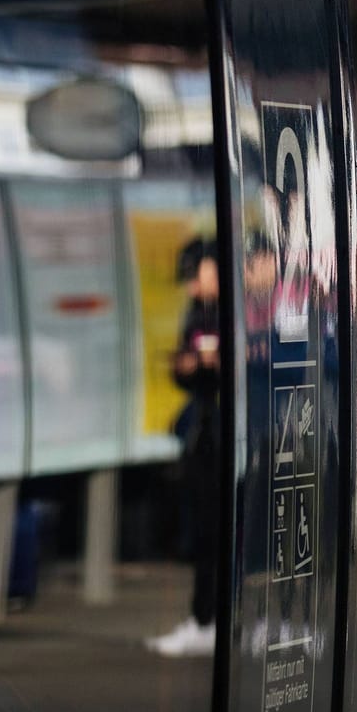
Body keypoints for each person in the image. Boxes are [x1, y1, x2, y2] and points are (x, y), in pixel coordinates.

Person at [147, 237, 222, 658]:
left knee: (219, 532)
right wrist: (186, 366)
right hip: (205, 431)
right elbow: (183, 364)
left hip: (232, 434)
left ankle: (212, 619)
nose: (192, 288)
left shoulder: (237, 309)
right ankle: (203, 618)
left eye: (195, 276)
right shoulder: (197, 312)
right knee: (204, 529)